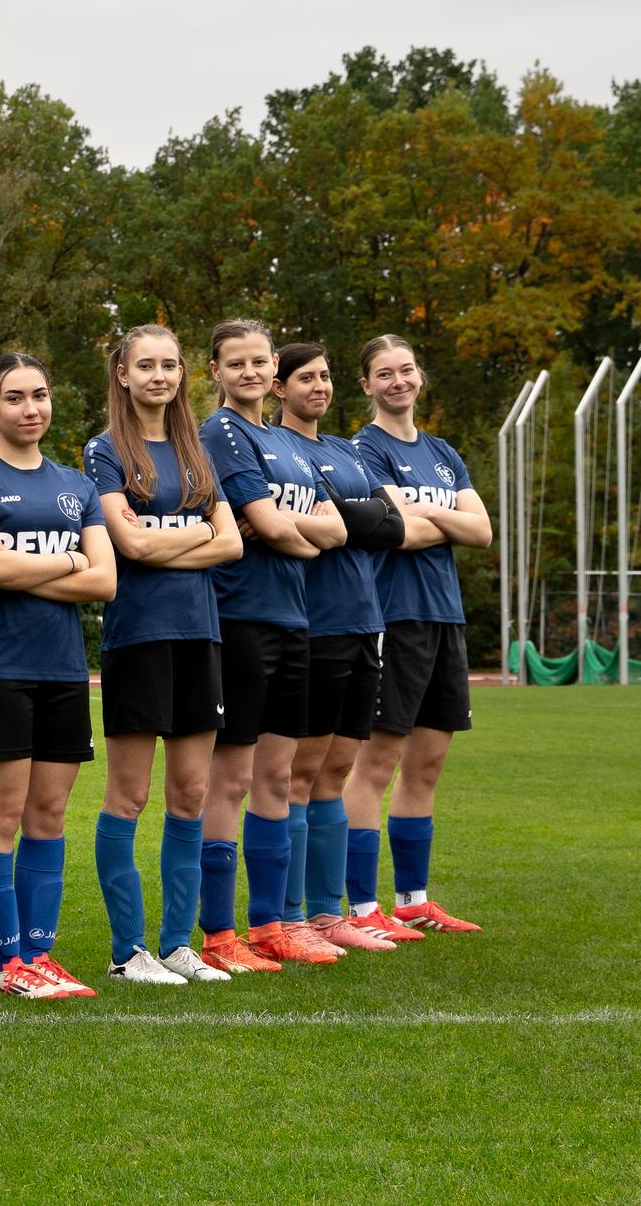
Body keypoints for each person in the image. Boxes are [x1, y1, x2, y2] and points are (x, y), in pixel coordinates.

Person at [0, 352, 116, 1000]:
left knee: (48, 814)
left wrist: (31, 564)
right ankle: (4, 963)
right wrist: (71, 561)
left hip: (63, 670)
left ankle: (37, 957)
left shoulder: (73, 484)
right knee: (2, 815)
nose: (30, 409)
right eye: (14, 397)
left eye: (38, 395)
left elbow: (106, 581)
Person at [84, 325, 243, 986]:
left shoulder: (196, 450)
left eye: (169, 365)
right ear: (121, 374)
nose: (159, 376)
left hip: (199, 636)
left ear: (182, 374)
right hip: (137, 638)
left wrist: (159, 539)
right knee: (129, 794)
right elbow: (132, 549)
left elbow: (231, 543)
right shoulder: (103, 451)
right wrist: (188, 536)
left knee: (190, 792)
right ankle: (128, 953)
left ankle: (178, 944)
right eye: (144, 365)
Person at [195, 320, 347, 973]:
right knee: (229, 779)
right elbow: (265, 525)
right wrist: (294, 529)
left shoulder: (280, 442)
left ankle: (271, 924)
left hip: (293, 618)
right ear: (215, 370)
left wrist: (292, 530)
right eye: (238, 362)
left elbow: (334, 530)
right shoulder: (221, 432)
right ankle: (216, 932)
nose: (251, 371)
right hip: (240, 619)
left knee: (277, 778)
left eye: (260, 360)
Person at [344, 335, 493, 935]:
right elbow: (396, 531)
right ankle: (359, 907)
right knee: (375, 764)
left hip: (444, 617)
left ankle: (412, 900)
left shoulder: (442, 452)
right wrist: (442, 520)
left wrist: (428, 515)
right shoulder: (362, 450)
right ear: (367, 385)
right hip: (392, 617)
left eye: (406, 370)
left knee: (426, 765)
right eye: (385, 373)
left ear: (419, 376)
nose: (398, 381)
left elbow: (481, 531)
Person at [272, 343, 406, 954]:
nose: (319, 386)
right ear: (280, 388)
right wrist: (354, 520)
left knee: (337, 771)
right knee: (299, 772)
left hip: (364, 623)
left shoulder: (347, 450)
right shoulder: (280, 452)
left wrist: (346, 519)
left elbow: (391, 522)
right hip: (313, 624)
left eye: (325, 376)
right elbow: (353, 523)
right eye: (305, 378)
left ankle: (330, 915)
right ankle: (289, 916)